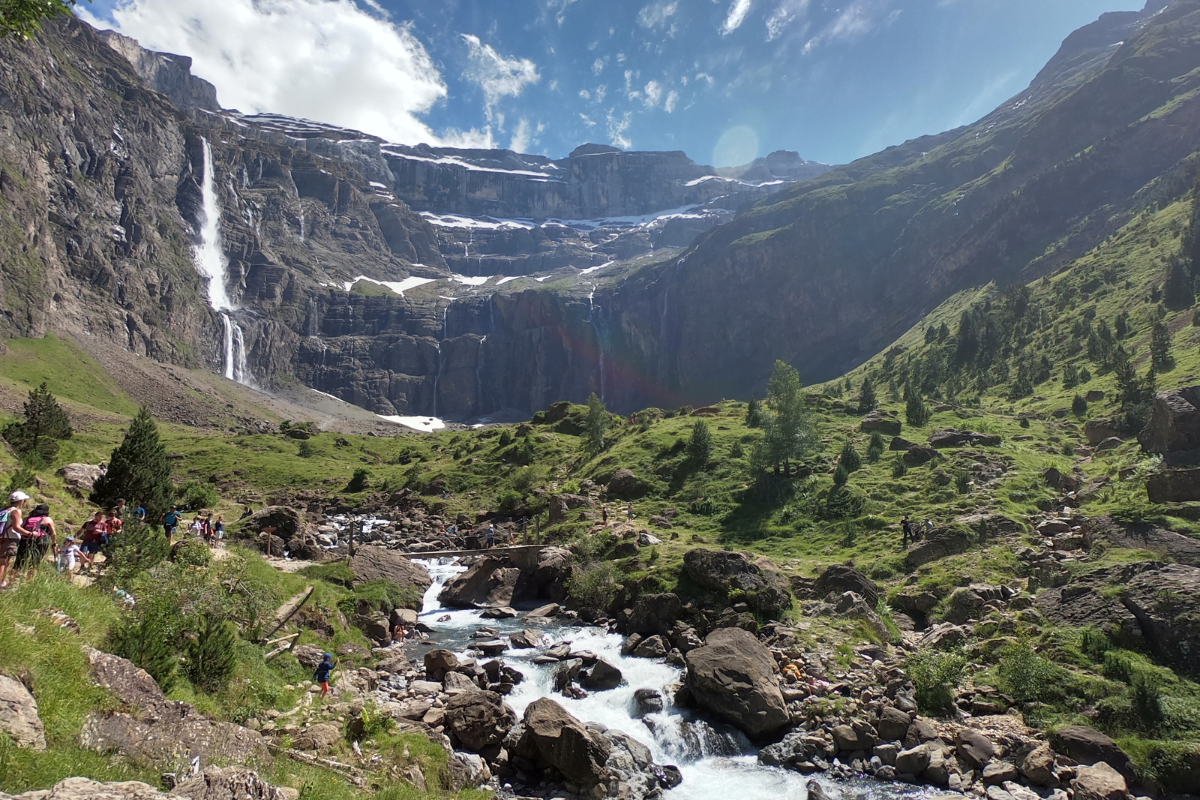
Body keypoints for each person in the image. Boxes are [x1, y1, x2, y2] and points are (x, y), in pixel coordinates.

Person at [0, 491, 32, 589]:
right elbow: (16, 527)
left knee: (1, 561)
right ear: (21, 501)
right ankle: (1, 583)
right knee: (6, 562)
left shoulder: (4, 510)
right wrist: (30, 533)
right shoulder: (16, 511)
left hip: (2, 537)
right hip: (11, 538)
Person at [17, 503, 57, 579]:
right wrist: (54, 543)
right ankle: (29, 580)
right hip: (41, 541)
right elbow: (53, 533)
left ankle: (13, 581)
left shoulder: (27, 518)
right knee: (35, 562)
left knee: (19, 561)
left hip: (25, 540)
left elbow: (20, 528)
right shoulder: (47, 519)